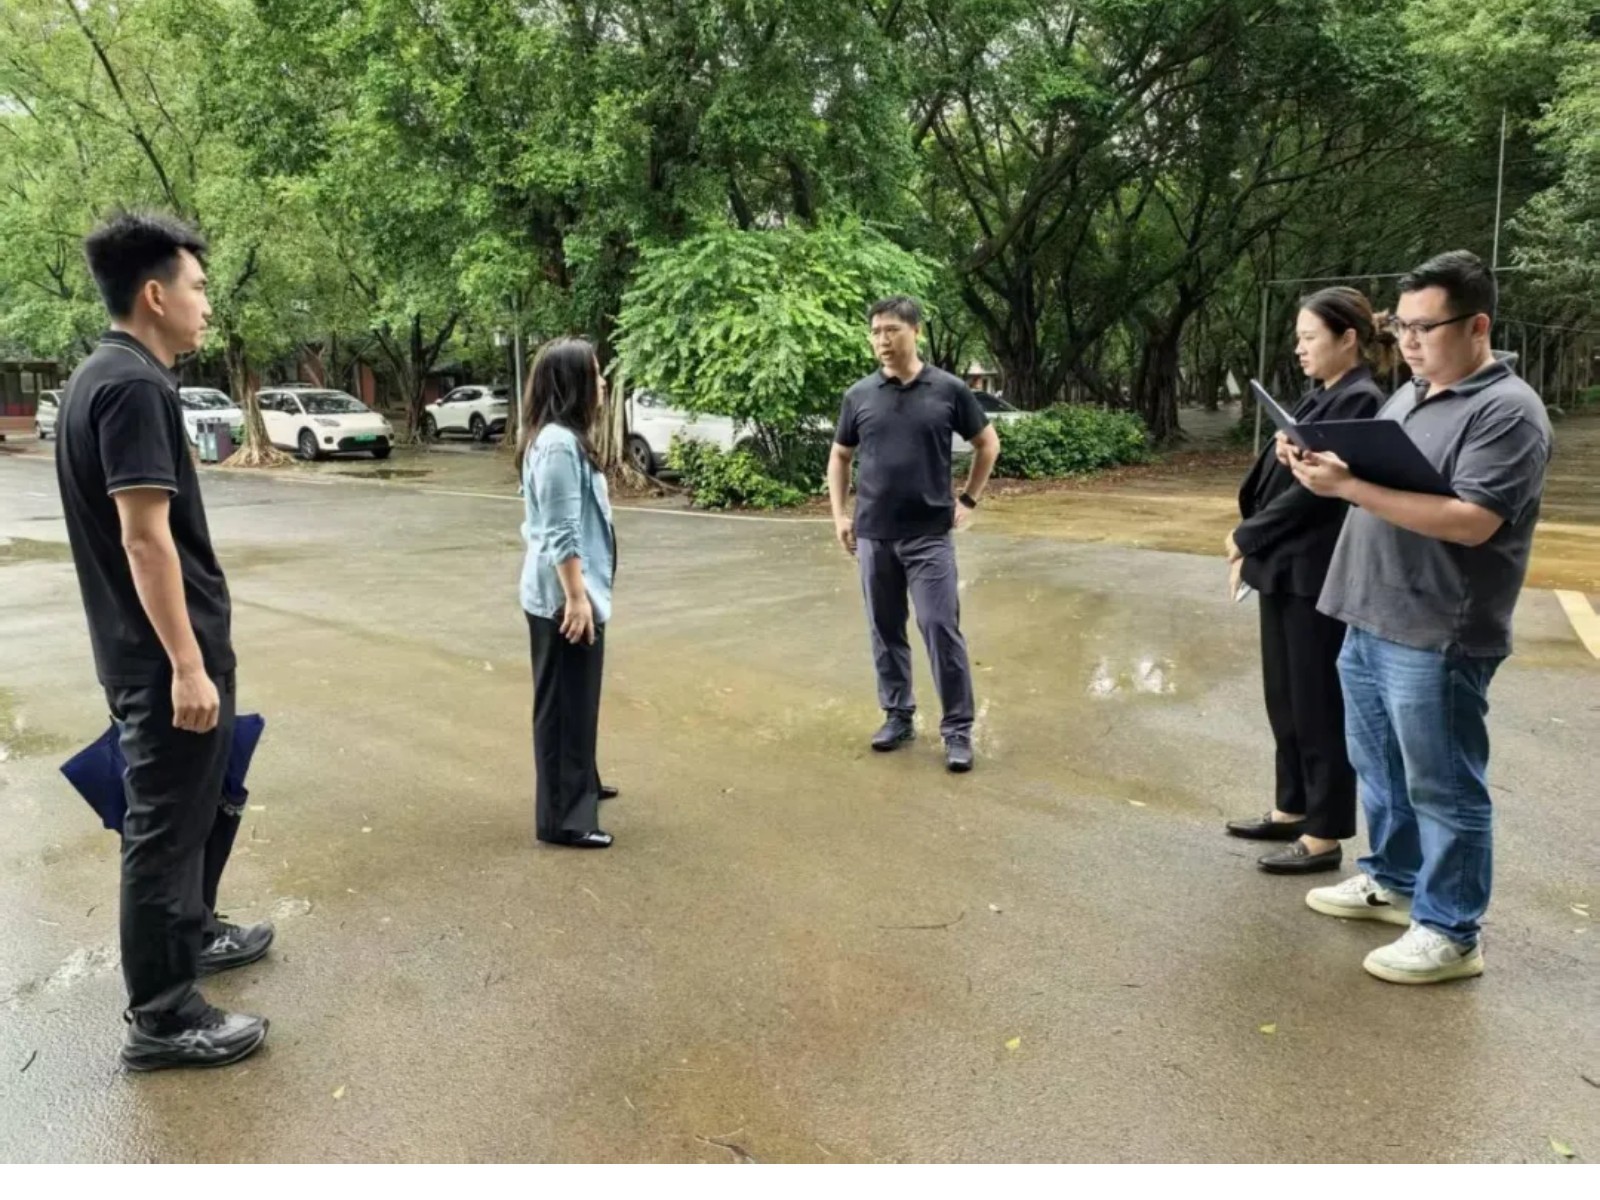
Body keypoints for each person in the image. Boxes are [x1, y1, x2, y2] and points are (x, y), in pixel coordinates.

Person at [1291, 251, 1551, 985]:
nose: (1407, 341)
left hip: (1438, 630)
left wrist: (1349, 488)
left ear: (1477, 326)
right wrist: (1317, 464)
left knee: (1444, 786)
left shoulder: (1507, 412)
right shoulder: (1410, 395)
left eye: (1424, 327)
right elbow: (1375, 480)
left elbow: (1472, 521)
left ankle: (1451, 930)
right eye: (1400, 325)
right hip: (1369, 611)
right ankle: (1394, 881)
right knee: (1380, 770)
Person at [55, 211, 272, 1071]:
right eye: (198, 287)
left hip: (148, 651)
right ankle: (164, 1016)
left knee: (194, 807)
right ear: (155, 294)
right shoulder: (133, 387)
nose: (207, 304)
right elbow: (145, 540)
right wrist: (187, 664)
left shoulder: (104, 376)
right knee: (164, 828)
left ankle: (196, 931)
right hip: (161, 660)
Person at [1224, 289, 1392, 874]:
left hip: (1317, 572)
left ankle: (1323, 833)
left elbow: (1317, 497)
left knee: (1318, 702)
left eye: (1309, 337)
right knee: (1286, 697)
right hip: (1286, 568)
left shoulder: (1360, 399)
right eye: (1297, 338)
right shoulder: (1322, 393)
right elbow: (1295, 471)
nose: (1299, 348)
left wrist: (1247, 535)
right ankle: (1290, 807)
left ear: (1348, 338)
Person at [827, 296, 1001, 772]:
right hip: (874, 534)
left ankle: (957, 729)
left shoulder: (948, 390)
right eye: (875, 332)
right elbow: (840, 455)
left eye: (892, 330)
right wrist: (840, 516)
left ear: (915, 332)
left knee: (939, 627)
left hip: (929, 535)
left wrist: (968, 499)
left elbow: (987, 444)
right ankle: (898, 715)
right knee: (885, 630)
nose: (882, 340)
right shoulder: (859, 395)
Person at [519, 338, 619, 849]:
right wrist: (577, 597)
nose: (602, 382)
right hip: (564, 598)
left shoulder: (563, 438)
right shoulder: (558, 443)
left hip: (573, 592)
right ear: (573, 382)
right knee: (563, 705)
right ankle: (564, 819)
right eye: (595, 373)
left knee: (577, 697)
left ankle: (583, 784)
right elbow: (561, 529)